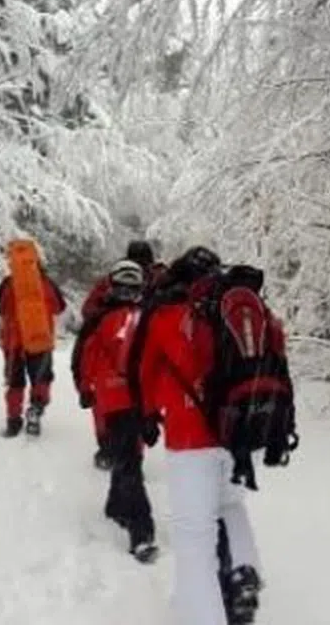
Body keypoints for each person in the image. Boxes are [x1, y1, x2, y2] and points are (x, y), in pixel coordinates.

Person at [126, 245, 265, 625]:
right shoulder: (239, 307)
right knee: (231, 506)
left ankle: (203, 615)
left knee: (194, 538)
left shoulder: (165, 315)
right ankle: (244, 573)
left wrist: (148, 416)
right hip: (240, 433)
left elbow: (143, 371)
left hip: (190, 438)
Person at [72, 259, 158, 561]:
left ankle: (120, 511)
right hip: (135, 399)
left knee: (126, 457)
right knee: (130, 460)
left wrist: (85, 388)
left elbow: (83, 356)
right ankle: (137, 528)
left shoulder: (100, 318)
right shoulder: (147, 318)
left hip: (113, 399)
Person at [78, 240, 166, 465]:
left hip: (110, 349)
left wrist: (105, 313)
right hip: (144, 349)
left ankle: (108, 448)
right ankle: (134, 452)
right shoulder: (159, 279)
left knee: (104, 398)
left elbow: (88, 311)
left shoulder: (111, 280)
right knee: (139, 401)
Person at [0, 252, 66, 437]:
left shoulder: (8, 283)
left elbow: (0, 308)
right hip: (40, 339)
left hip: (14, 342)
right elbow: (59, 307)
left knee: (15, 381)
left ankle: (13, 420)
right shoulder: (47, 283)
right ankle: (36, 408)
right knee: (41, 378)